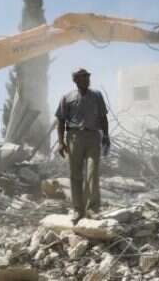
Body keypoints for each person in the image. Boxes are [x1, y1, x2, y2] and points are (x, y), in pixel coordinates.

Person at [55, 68, 110, 223]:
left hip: (93, 136)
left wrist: (106, 135)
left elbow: (103, 117)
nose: (87, 79)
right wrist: (60, 142)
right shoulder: (67, 97)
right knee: (75, 174)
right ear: (76, 80)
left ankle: (92, 209)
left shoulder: (97, 95)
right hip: (74, 137)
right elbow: (60, 120)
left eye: (88, 76)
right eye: (83, 77)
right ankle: (78, 210)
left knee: (92, 173)